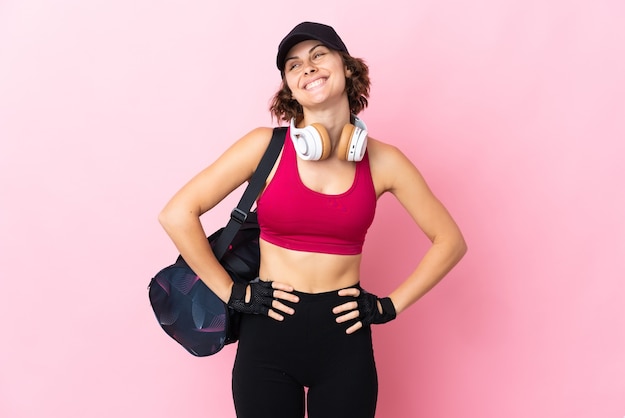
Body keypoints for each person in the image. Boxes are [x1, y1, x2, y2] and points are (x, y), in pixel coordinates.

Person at [158, 21, 467, 418]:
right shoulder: (264, 148)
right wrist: (235, 295)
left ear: (347, 67)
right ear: (289, 87)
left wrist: (389, 306)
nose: (307, 67)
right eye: (293, 65)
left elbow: (450, 241)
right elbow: (176, 214)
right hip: (268, 334)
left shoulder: (385, 161)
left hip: (345, 339)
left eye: (318, 55)